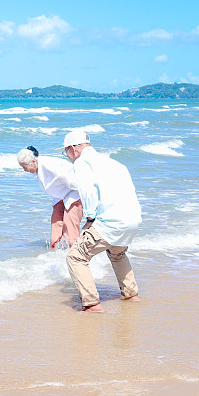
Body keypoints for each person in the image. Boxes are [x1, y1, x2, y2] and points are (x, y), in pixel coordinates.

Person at [61, 130, 141, 312]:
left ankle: (91, 303)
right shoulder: (115, 163)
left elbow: (88, 192)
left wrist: (89, 219)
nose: (67, 156)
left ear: (73, 148)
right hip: (132, 218)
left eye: (65, 152)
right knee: (117, 253)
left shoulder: (82, 162)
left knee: (76, 257)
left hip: (111, 220)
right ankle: (131, 294)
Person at [17, 145, 83, 248]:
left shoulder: (49, 164)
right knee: (56, 223)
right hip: (61, 197)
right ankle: (55, 250)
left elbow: (67, 177)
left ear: (33, 161)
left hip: (75, 193)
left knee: (70, 225)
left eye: (25, 166)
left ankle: (75, 252)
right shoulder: (38, 168)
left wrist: (85, 192)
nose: (24, 170)